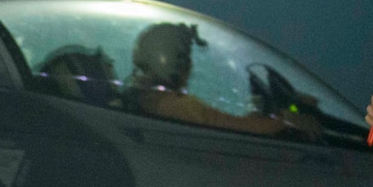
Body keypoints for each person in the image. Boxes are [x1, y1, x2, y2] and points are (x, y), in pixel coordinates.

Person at [124, 23, 312, 138]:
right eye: (185, 58)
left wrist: (256, 110)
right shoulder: (174, 105)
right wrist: (286, 120)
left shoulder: (147, 98)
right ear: (173, 61)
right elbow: (241, 129)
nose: (189, 67)